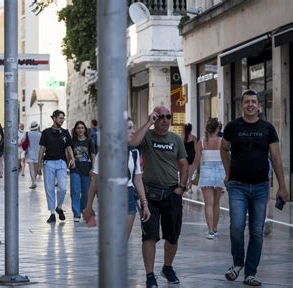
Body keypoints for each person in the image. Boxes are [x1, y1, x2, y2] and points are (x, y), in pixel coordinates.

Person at [221, 89, 288, 286]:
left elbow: (275, 157)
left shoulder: (268, 129)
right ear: (242, 105)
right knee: (236, 227)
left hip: (260, 187)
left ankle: (250, 273)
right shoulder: (233, 127)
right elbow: (223, 148)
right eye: (246, 101)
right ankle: (237, 263)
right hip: (237, 187)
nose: (250, 104)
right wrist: (228, 172)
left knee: (257, 232)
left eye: (253, 101)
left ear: (258, 105)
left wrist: (282, 187)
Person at [132, 106, 189, 288]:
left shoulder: (176, 139)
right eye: (160, 117)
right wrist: (148, 122)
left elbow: (183, 164)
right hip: (150, 195)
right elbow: (133, 143)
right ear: (155, 118)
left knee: (172, 236)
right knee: (149, 235)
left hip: (172, 193)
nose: (165, 120)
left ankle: (167, 267)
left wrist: (181, 187)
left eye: (168, 117)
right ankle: (150, 275)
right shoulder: (147, 136)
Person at [83, 118, 151, 238]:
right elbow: (95, 180)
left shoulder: (134, 153)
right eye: (129, 128)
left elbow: (137, 179)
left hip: (129, 196)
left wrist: (145, 204)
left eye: (133, 127)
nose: (133, 131)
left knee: (123, 240)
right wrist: (89, 207)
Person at [188, 118, 225, 239]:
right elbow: (227, 159)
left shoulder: (202, 142)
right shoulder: (222, 141)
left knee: (208, 203)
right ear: (218, 128)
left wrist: (189, 176)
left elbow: (195, 162)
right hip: (220, 172)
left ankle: (210, 231)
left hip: (206, 172)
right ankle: (215, 229)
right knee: (216, 203)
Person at [38, 110, 76, 223]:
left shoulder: (65, 133)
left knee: (63, 188)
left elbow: (69, 147)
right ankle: (52, 213)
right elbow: (42, 149)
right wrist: (39, 164)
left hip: (61, 162)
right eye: (60, 118)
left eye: (63, 118)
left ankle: (59, 207)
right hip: (48, 163)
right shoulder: (46, 133)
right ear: (54, 118)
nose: (62, 120)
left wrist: (72, 159)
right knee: (49, 188)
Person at [69, 121, 96, 222]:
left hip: (87, 170)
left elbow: (93, 155)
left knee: (86, 193)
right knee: (75, 191)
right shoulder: (72, 141)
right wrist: (70, 161)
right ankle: (76, 213)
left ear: (85, 129)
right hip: (75, 169)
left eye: (82, 128)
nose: (80, 130)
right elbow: (69, 152)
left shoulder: (89, 141)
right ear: (75, 130)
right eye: (78, 128)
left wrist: (93, 168)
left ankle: (83, 210)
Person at [24, 121, 42, 189]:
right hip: (38, 154)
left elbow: (23, 141)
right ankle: (34, 181)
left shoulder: (28, 133)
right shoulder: (40, 134)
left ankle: (33, 182)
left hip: (29, 153)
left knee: (31, 169)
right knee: (36, 169)